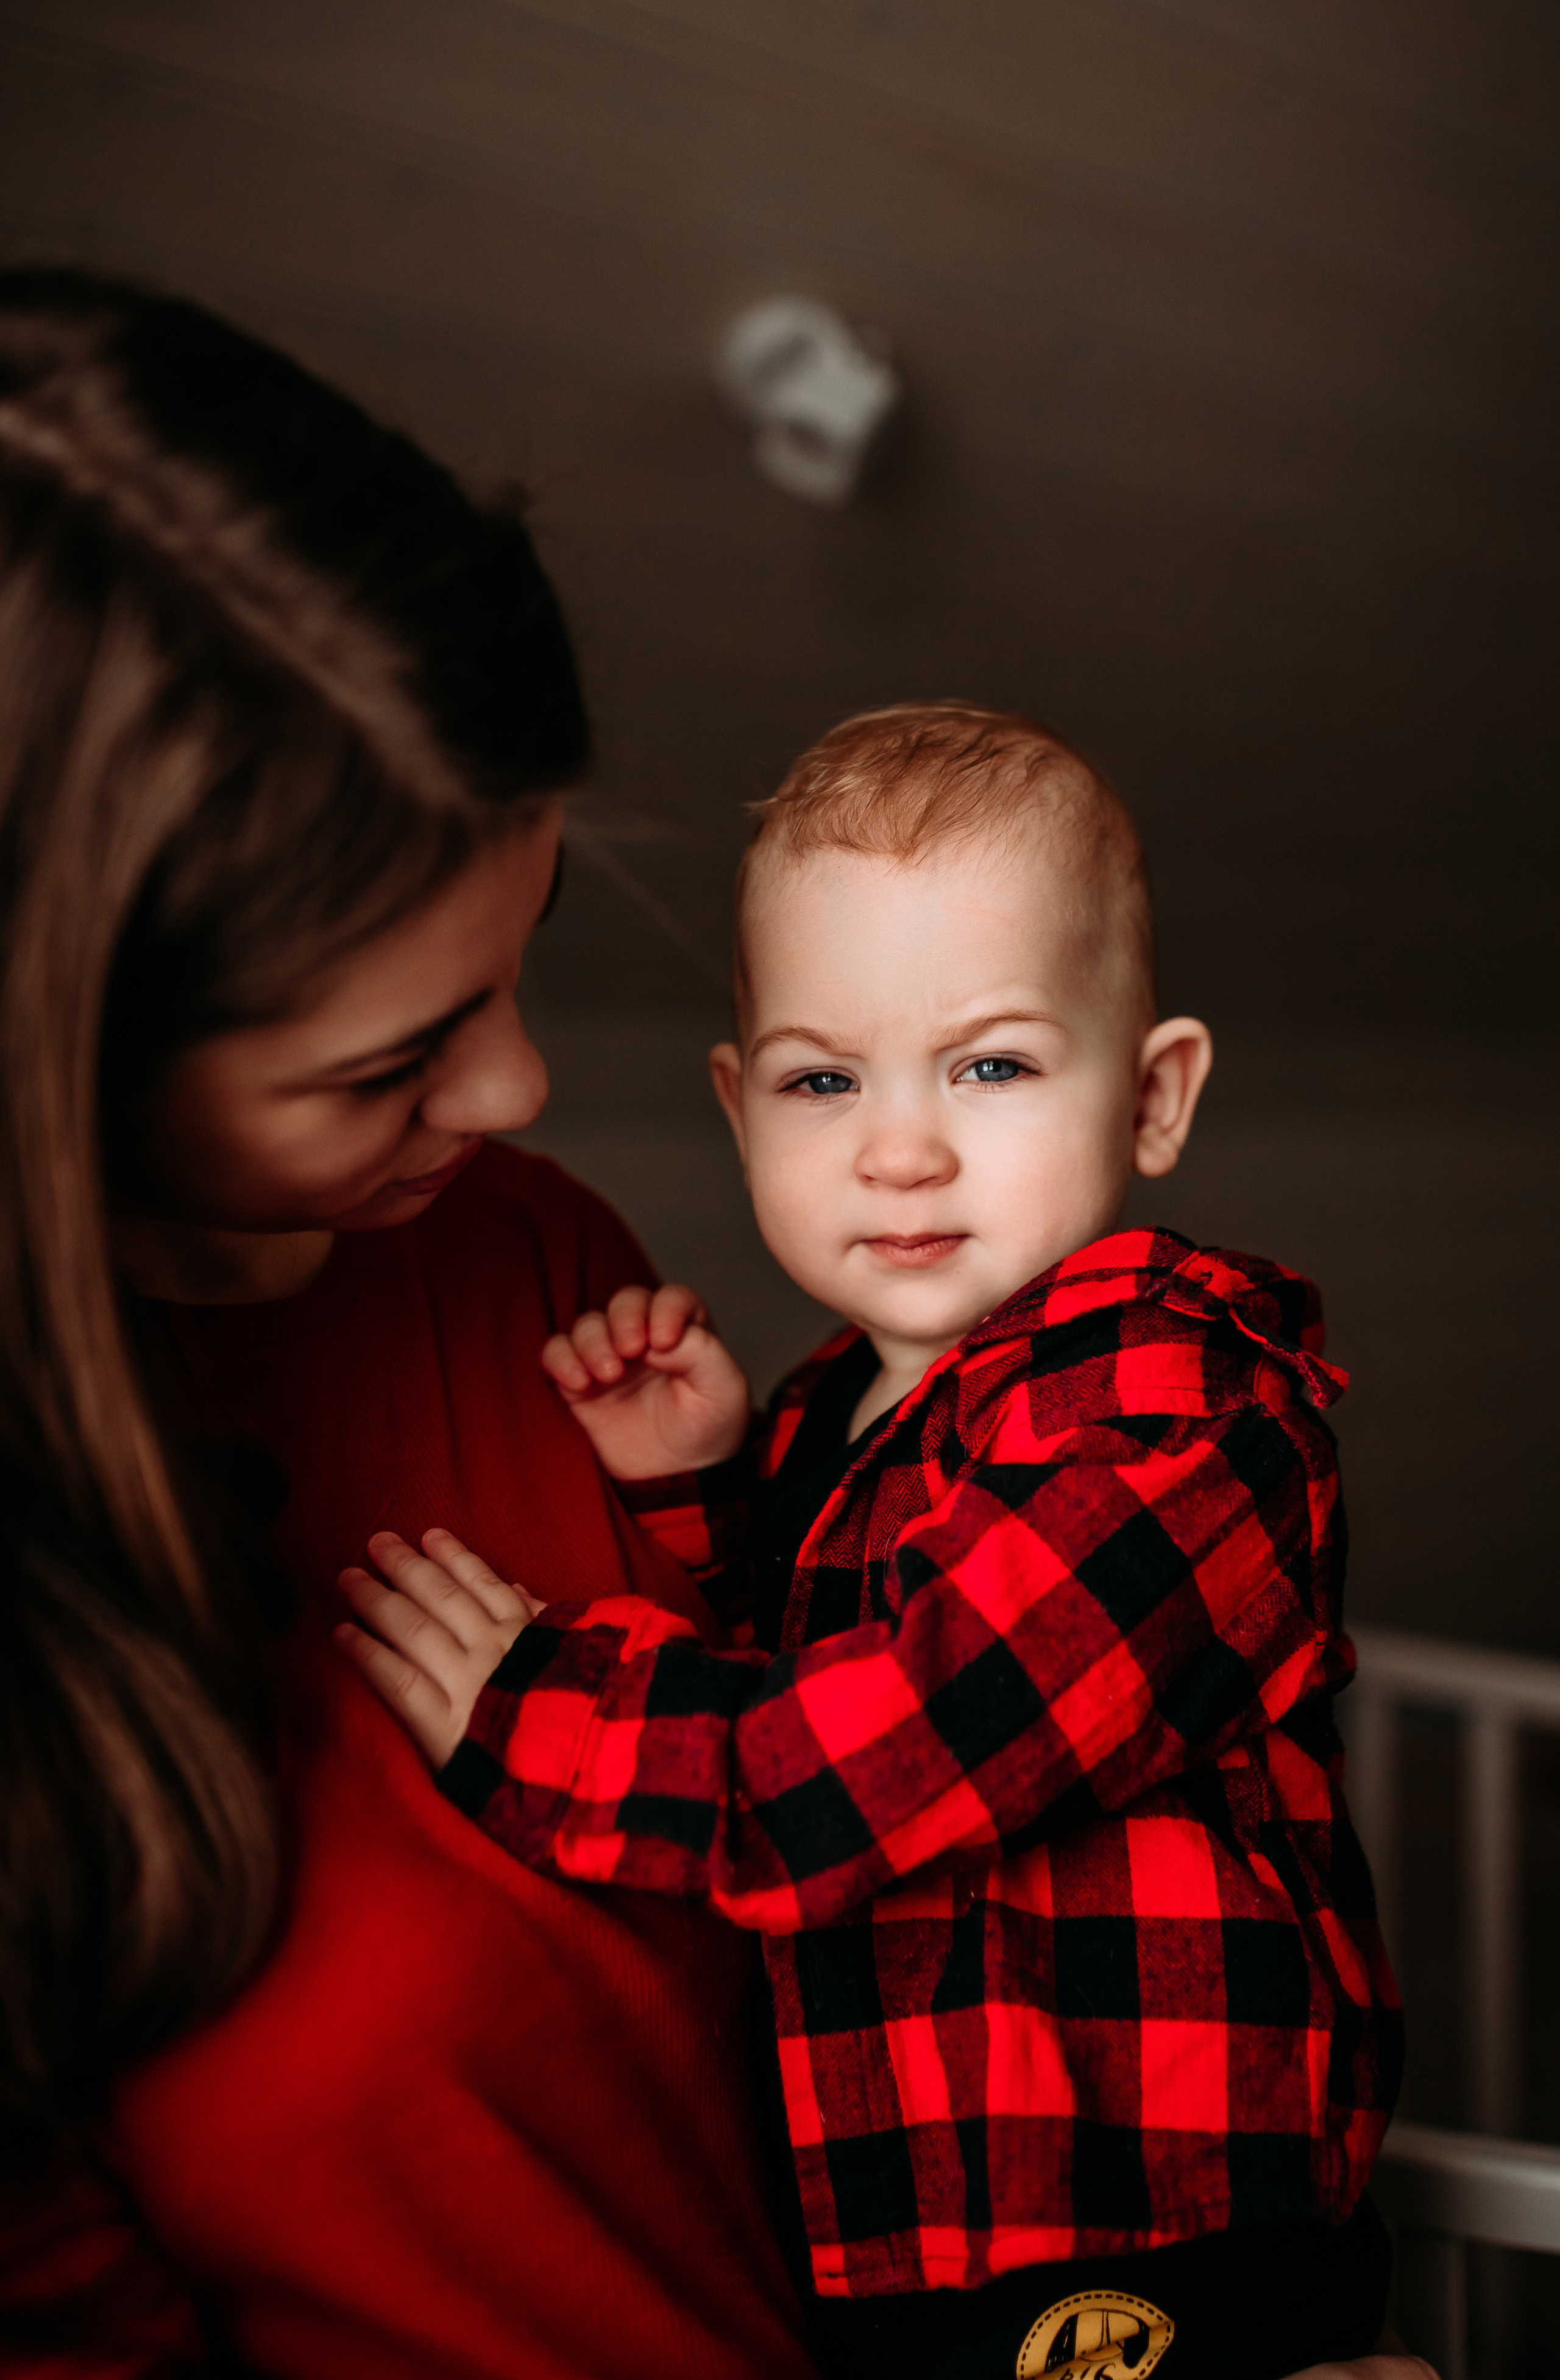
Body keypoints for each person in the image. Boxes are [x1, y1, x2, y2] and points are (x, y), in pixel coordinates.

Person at [341, 706, 1415, 2380]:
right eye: (822, 1080)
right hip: (916, 2243)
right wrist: (707, 1494)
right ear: (738, 1105)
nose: (899, 1149)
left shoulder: (1178, 1408)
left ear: (1152, 1098)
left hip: (1145, 2231)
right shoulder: (831, 1408)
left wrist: (540, 1710)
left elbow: (913, 1734)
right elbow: (817, 1645)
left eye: (992, 1065)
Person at [0, 265, 816, 2380]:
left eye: (522, 950)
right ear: (54, 1073)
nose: (519, 1091)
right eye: (387, 1065)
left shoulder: (529, 1262)